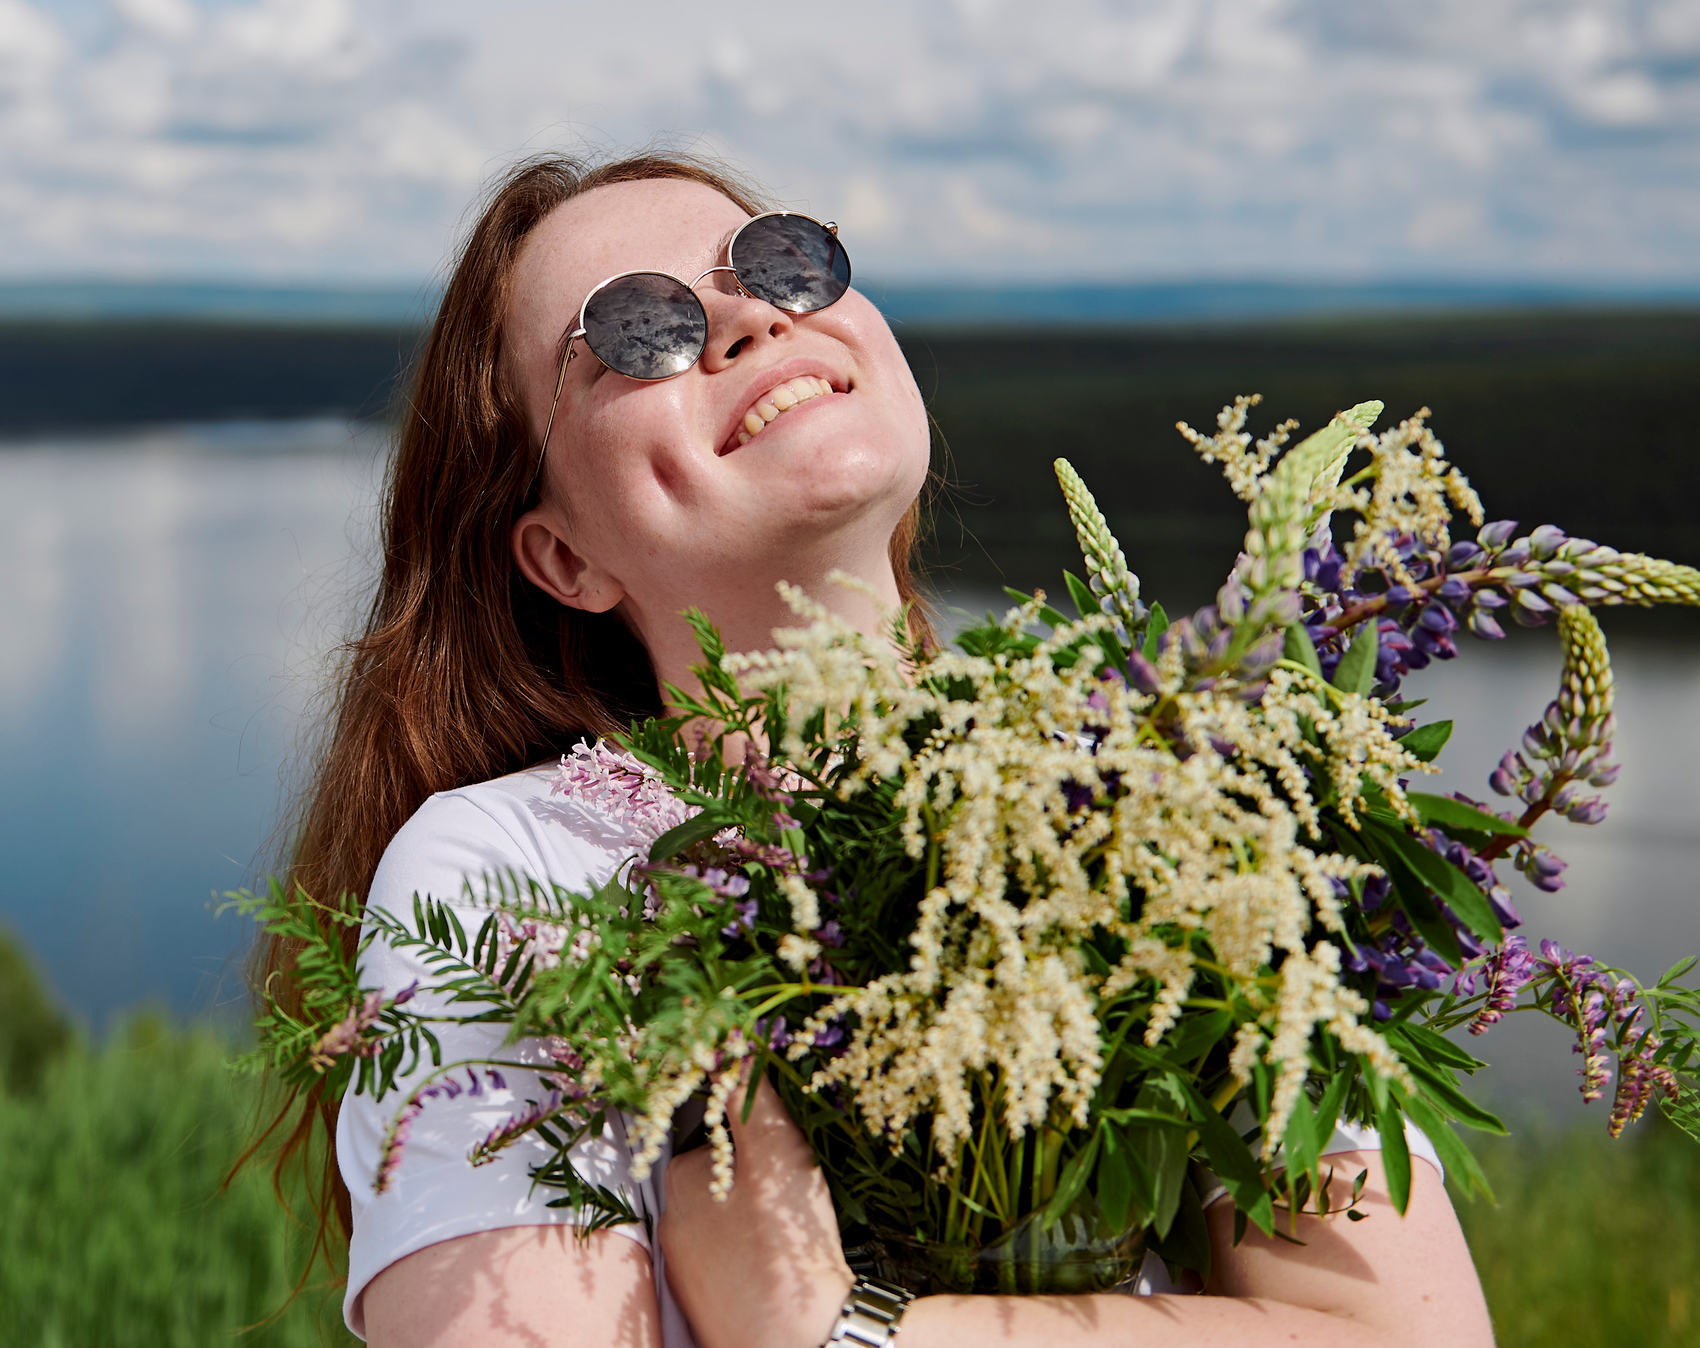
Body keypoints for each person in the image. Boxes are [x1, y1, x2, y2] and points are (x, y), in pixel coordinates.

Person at [259, 151, 1499, 1348]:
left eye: (778, 260)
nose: (748, 316)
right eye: (636, 328)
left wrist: (828, 1331)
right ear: (564, 557)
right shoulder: (514, 878)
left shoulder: (1166, 797)